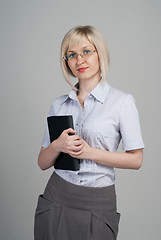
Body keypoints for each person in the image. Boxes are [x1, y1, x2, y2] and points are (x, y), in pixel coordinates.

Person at [34, 25, 144, 240]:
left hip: (98, 201)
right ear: (66, 62)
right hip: (57, 195)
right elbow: (42, 162)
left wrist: (89, 152)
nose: (80, 60)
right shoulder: (59, 104)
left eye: (86, 51)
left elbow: (136, 160)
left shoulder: (122, 102)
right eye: (71, 55)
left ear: (99, 54)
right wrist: (58, 146)